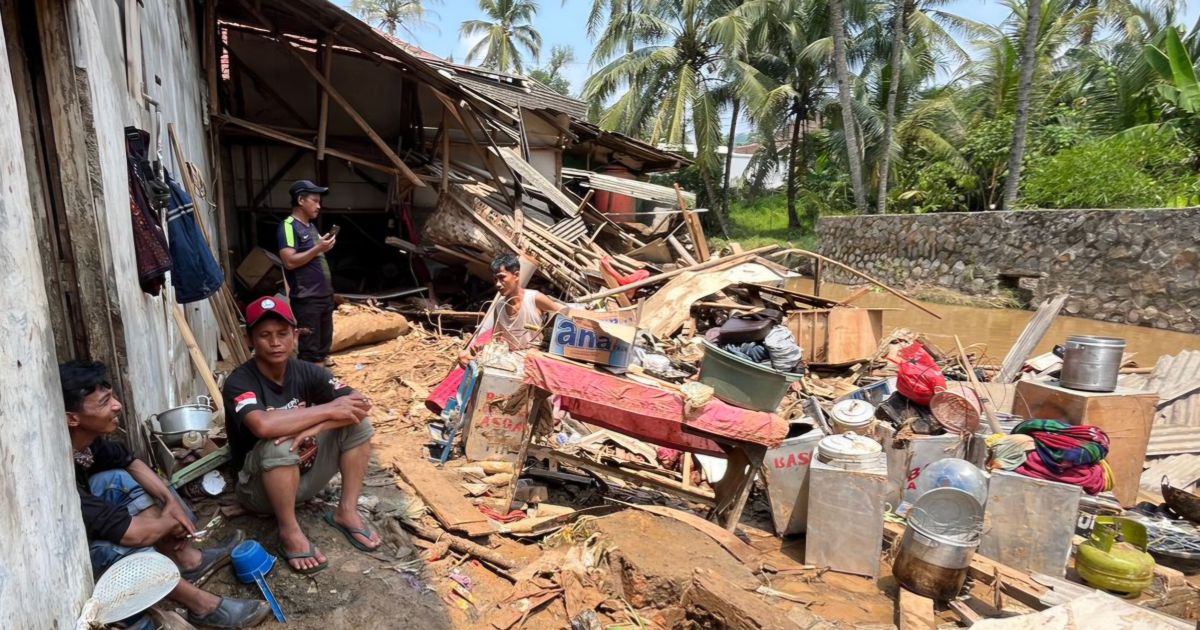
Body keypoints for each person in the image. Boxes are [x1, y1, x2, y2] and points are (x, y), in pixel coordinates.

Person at [61, 360, 269, 629]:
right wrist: (169, 522)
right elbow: (133, 534)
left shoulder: (87, 445)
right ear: (72, 418)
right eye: (103, 403)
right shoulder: (61, 478)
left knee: (117, 478)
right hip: (85, 559)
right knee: (120, 549)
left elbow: (130, 461)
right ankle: (201, 606)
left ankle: (186, 561)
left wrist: (170, 503)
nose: (117, 406)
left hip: (101, 527)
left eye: (111, 397)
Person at [222, 296, 382, 574]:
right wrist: (330, 409)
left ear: (294, 336)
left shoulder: (307, 371)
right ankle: (289, 530)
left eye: (283, 334)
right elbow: (263, 425)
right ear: (249, 339)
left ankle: (346, 511)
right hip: (258, 492)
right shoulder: (240, 381)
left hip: (304, 478)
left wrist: (318, 426)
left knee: (358, 426)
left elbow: (360, 404)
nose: (275, 343)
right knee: (279, 443)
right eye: (265, 335)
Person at [426, 253, 561, 415]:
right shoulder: (499, 307)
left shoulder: (534, 299)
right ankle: (461, 411)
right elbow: (498, 339)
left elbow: (563, 316)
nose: (498, 284)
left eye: (502, 278)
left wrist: (548, 343)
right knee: (471, 363)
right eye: (495, 279)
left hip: (532, 357)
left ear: (516, 275)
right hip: (510, 357)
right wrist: (477, 350)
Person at [278, 179, 336, 365]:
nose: (319, 206)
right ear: (301, 200)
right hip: (307, 298)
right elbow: (289, 261)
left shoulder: (310, 227)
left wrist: (323, 246)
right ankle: (310, 387)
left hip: (324, 296)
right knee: (310, 351)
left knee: (323, 348)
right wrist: (318, 249)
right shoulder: (288, 226)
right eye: (315, 200)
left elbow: (313, 254)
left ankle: (324, 383)